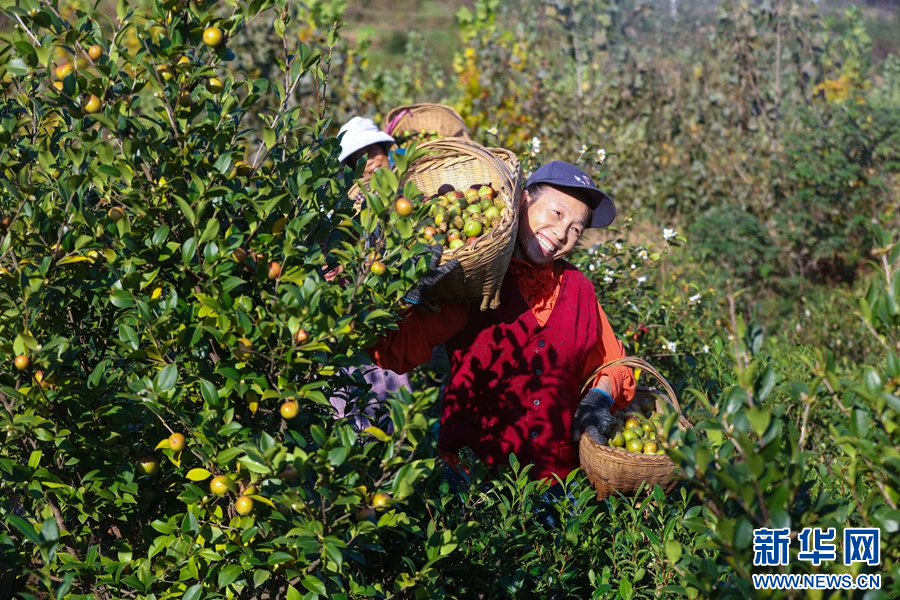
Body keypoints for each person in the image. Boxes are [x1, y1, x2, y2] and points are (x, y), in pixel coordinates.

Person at [367, 161, 636, 486]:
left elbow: (612, 362)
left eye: (576, 229)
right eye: (556, 213)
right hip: (474, 476)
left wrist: (600, 398)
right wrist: (408, 294)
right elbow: (394, 351)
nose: (562, 233)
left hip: (556, 481)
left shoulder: (580, 289)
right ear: (522, 202)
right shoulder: (476, 275)